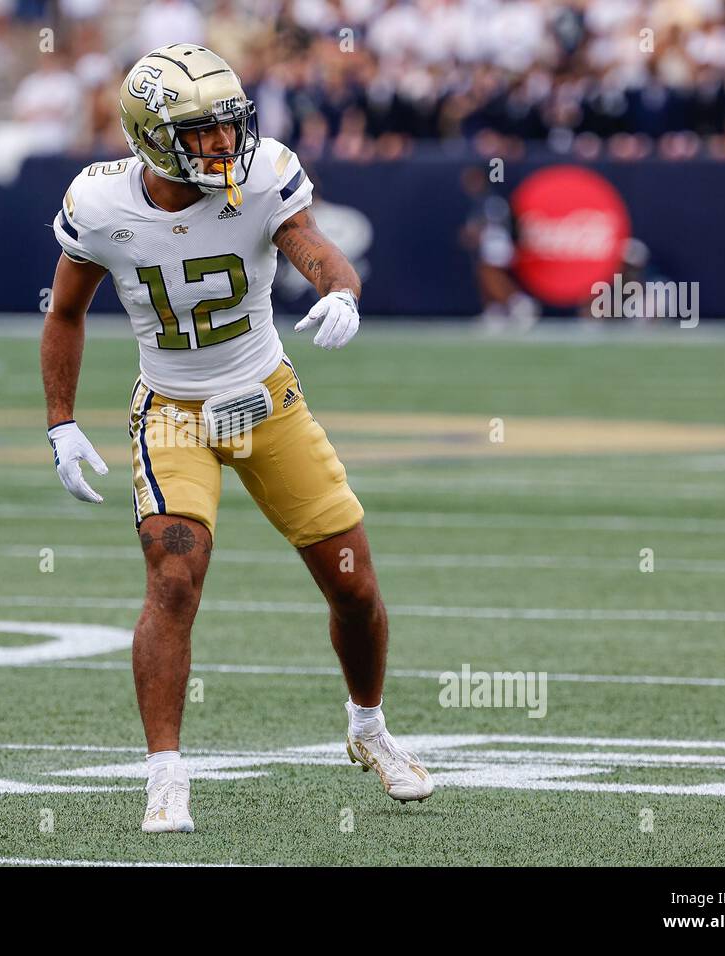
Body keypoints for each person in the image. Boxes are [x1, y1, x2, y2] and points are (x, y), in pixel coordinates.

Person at [41, 44, 432, 834]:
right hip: (173, 411)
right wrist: (62, 422)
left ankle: (369, 729)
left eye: (229, 125)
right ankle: (165, 775)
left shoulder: (262, 174)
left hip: (266, 400)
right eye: (203, 131)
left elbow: (312, 247)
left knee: (353, 583)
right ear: (152, 136)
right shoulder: (101, 204)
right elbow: (66, 312)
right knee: (173, 578)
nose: (225, 143)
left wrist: (342, 292)